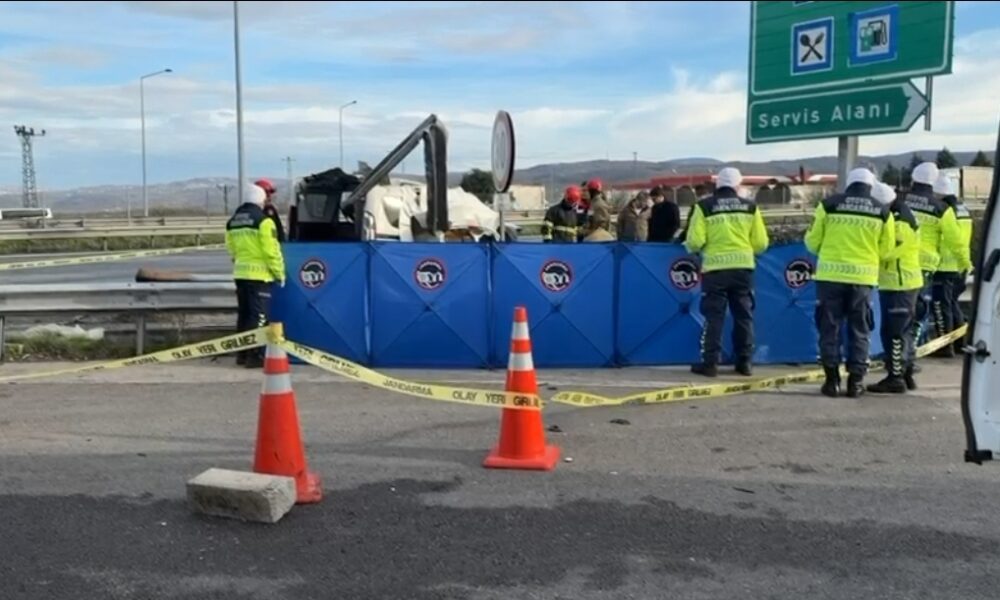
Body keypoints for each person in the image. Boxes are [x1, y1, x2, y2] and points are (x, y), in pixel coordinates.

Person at [805, 168, 895, 398]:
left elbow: (813, 242)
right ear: (870, 186)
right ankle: (855, 383)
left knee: (829, 328)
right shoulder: (882, 211)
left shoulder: (828, 205)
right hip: (862, 280)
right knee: (860, 330)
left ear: (849, 183)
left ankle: (831, 382)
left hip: (830, 277)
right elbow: (887, 250)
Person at [684, 167, 769, 377]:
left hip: (715, 271)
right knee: (744, 316)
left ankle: (710, 364)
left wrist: (694, 248)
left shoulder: (704, 207)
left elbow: (695, 242)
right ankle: (745, 363)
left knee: (714, 317)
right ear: (737, 185)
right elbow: (760, 243)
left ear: (718, 184)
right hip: (743, 270)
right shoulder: (750, 207)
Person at [903, 162, 962, 364]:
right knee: (919, 308)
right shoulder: (942, 209)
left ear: (913, 179)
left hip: (901, 261)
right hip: (928, 265)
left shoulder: (901, 201)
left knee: (900, 308)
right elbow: (956, 241)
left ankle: (901, 352)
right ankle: (910, 351)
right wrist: (965, 263)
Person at [867, 182, 922, 394]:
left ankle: (895, 378)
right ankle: (906, 374)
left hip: (899, 283)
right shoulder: (902, 214)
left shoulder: (898, 222)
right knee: (903, 332)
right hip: (904, 281)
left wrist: (870, 252)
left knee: (894, 333)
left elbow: (890, 252)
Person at [225, 182, 286, 368]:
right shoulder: (264, 221)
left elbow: (231, 249)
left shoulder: (233, 221)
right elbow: (271, 251)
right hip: (259, 276)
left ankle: (242, 355)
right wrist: (279, 272)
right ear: (261, 200)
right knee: (259, 316)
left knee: (244, 315)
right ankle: (255, 356)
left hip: (240, 274)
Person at [931, 173, 973, 356]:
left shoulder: (944, 210)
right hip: (961, 265)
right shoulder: (963, 208)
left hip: (945, 266)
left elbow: (947, 237)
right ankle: (960, 343)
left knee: (941, 307)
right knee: (952, 304)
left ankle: (944, 346)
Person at [254, 178, 286, 243]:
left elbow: (278, 228)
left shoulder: (270, 210)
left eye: (270, 193)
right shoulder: (253, 210)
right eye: (267, 193)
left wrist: (279, 241)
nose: (269, 196)